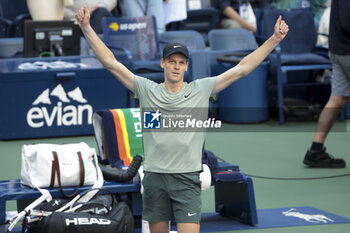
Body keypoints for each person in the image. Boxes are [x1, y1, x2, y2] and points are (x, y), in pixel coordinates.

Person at [75, 5, 288, 233]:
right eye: (172, 61)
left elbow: (242, 69)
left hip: (187, 180)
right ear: (163, 63)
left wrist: (274, 39)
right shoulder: (146, 89)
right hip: (155, 178)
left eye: (181, 62)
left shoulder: (201, 89)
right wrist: (87, 28)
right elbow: (111, 63)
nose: (176, 66)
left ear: (186, 66)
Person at [303, 0, 349, 169]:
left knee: (337, 99)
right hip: (346, 51)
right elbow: (346, 20)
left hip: (338, 50)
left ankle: (316, 150)